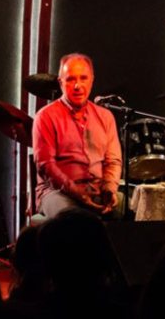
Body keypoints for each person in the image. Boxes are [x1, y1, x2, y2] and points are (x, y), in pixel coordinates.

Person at [32, 53, 123, 217]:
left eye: (83, 78)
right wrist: (77, 192)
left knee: (131, 207)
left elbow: (113, 161)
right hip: (56, 192)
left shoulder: (105, 116)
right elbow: (46, 166)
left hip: (96, 189)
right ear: (61, 82)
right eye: (70, 79)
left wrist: (109, 188)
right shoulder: (45, 116)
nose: (77, 85)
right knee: (73, 216)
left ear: (92, 80)